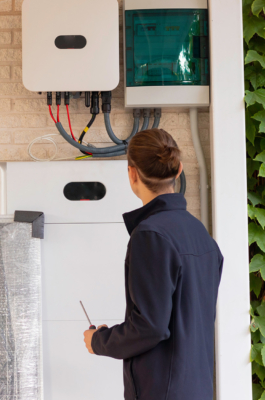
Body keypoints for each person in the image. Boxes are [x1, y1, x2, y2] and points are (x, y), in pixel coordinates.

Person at [83, 129, 223, 400]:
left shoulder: (150, 235)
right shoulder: (201, 234)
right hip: (198, 390)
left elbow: (150, 326)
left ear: (132, 174)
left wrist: (99, 341)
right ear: (179, 169)